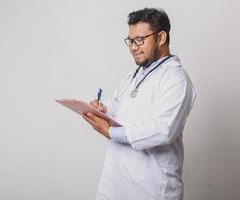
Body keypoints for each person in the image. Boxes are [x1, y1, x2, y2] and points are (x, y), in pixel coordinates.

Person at [83, 7, 196, 200]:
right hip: (117, 180)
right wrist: (103, 109)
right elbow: (120, 105)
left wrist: (110, 132)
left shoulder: (176, 79)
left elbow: (164, 130)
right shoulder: (133, 75)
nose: (133, 47)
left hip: (152, 186)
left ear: (161, 37)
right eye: (130, 41)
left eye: (139, 40)